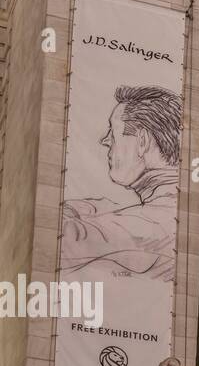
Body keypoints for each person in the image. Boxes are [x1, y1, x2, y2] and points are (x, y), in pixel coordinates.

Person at [61, 86, 182, 282]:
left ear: (142, 141)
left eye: (113, 131)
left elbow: (58, 236)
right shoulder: (167, 212)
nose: (105, 140)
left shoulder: (151, 224)